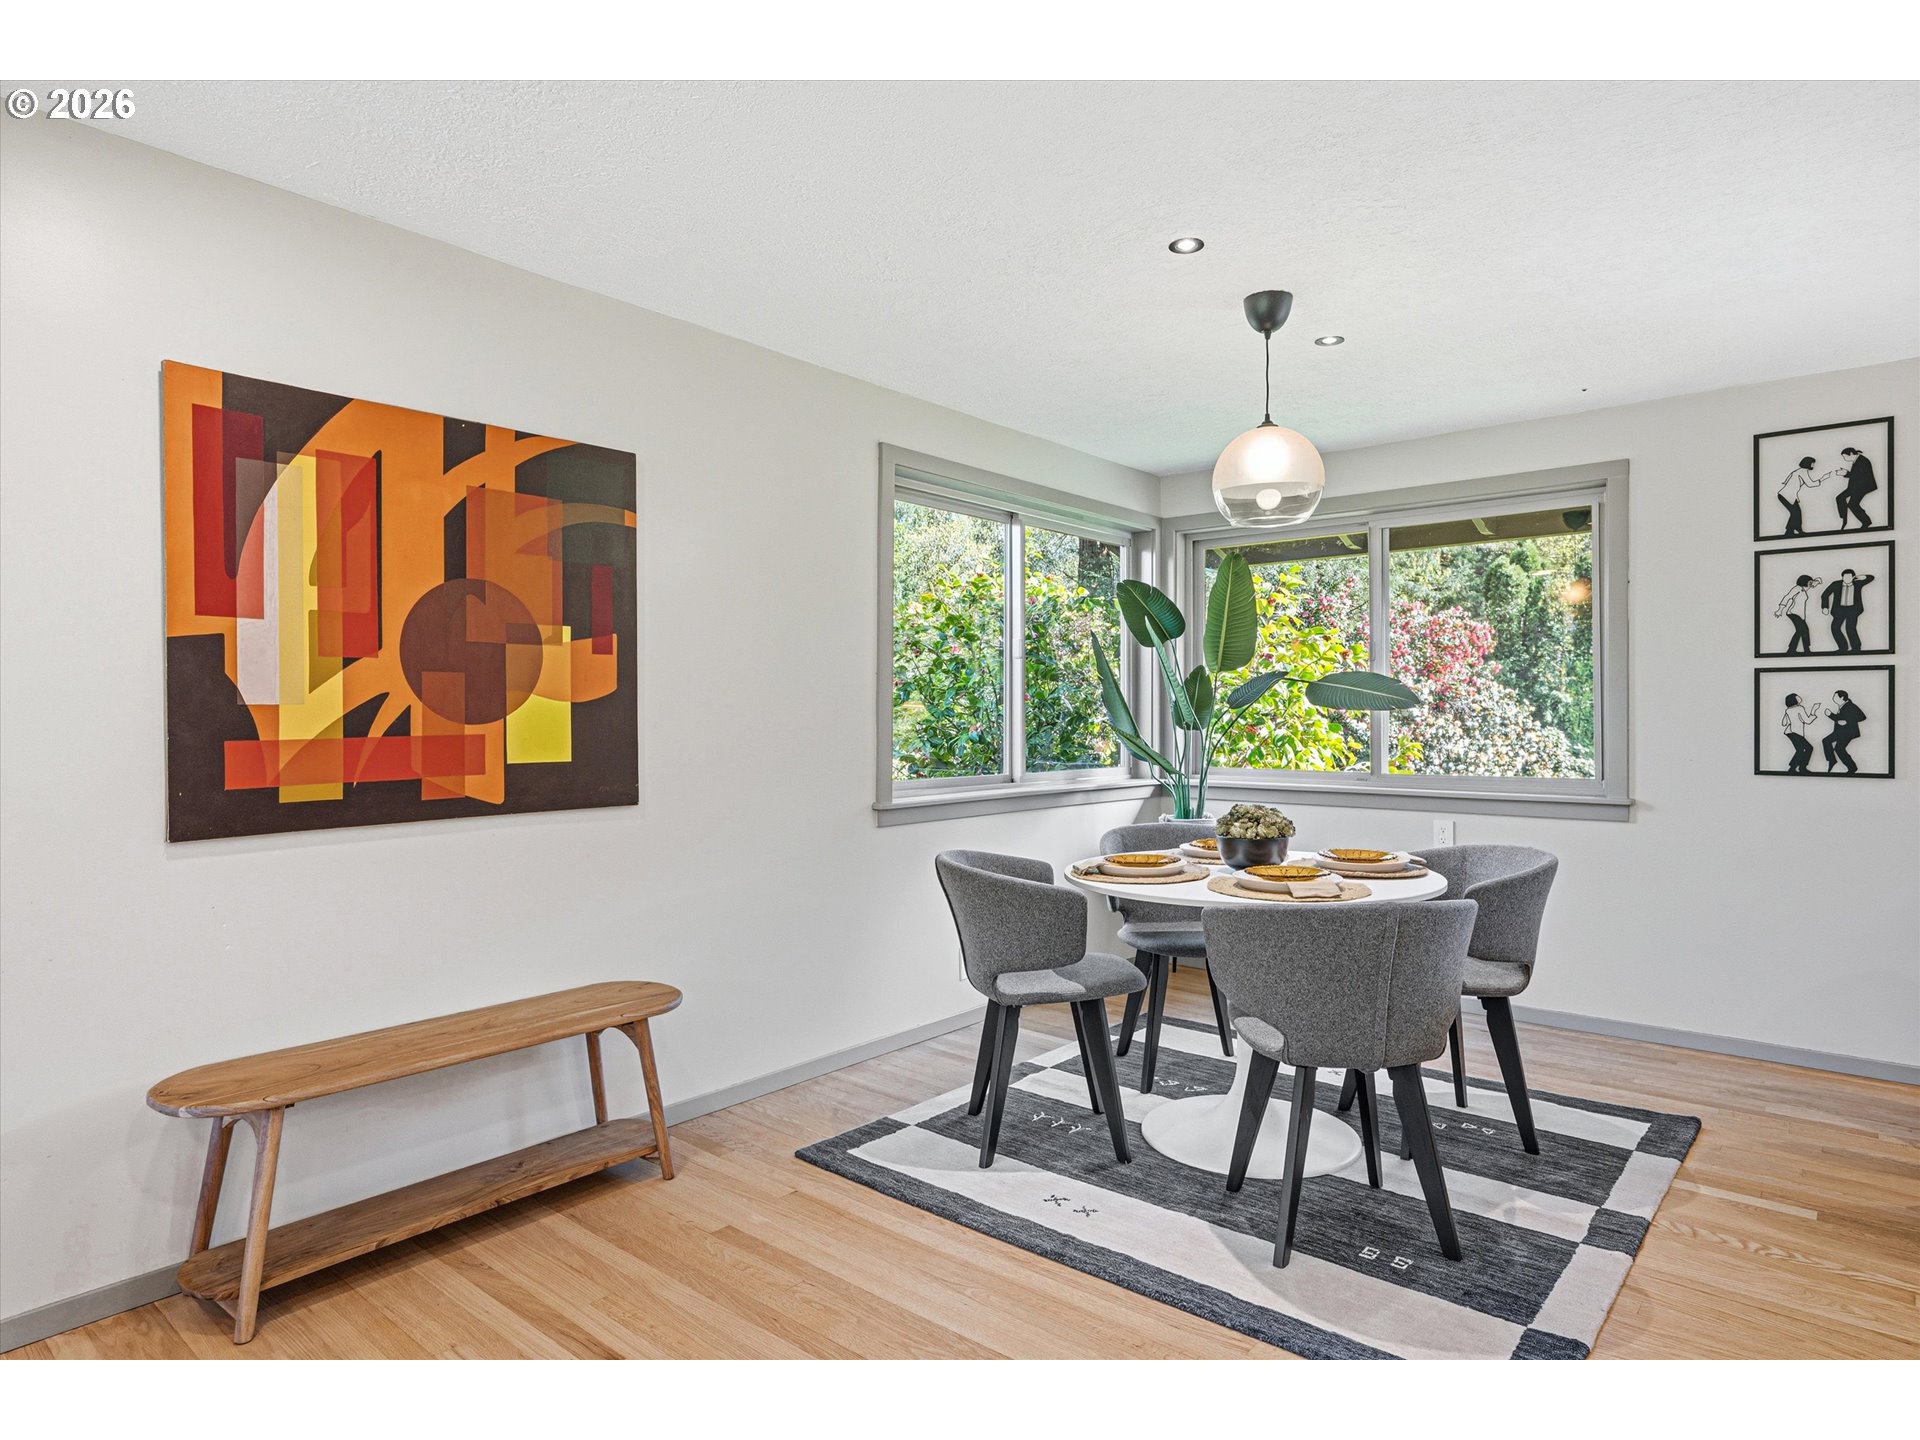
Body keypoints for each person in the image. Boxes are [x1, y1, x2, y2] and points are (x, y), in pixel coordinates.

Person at [1819, 567, 1876, 653]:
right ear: (1842, 577)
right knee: (1835, 628)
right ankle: (1842, 648)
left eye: (1849, 577)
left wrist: (1858, 577)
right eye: (1845, 577)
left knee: (1850, 628)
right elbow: (1825, 594)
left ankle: (1856, 648)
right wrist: (1825, 607)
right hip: (1839, 610)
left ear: (1853, 577)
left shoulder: (1858, 583)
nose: (1847, 579)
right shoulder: (1836, 584)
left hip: (1853, 610)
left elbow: (1871, 578)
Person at [1832, 446, 1879, 531]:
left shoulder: (1863, 461)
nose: (1844, 458)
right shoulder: (1857, 460)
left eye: (1845, 456)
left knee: (1852, 504)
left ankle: (1866, 522)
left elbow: (1860, 476)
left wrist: (1846, 473)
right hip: (1855, 486)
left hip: (1863, 486)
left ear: (1850, 454)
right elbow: (1856, 475)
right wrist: (1846, 473)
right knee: (1840, 498)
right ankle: (1843, 518)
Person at [1774, 573, 1822, 654]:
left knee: (1800, 631)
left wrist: (1815, 581)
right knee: (1804, 630)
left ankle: (1792, 650)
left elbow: (1817, 581)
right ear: (1804, 582)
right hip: (1793, 613)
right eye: (1809, 582)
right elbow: (1787, 597)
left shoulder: (1804, 589)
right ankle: (1806, 650)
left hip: (1800, 615)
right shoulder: (1797, 588)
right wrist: (1780, 610)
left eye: (1811, 582)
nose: (1811, 584)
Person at [1822, 689, 1867, 774]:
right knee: (1836, 747)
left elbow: (1862, 717)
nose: (1833, 698)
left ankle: (1846, 766)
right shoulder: (1842, 706)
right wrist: (1830, 715)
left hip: (1848, 732)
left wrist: (1848, 721)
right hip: (1841, 732)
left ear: (1842, 697)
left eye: (1835, 697)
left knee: (1832, 745)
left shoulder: (1851, 706)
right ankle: (1849, 766)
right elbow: (1839, 719)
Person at [1775, 456, 1822, 536]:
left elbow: (1790, 482)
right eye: (1812, 463)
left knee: (1796, 513)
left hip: (1787, 496)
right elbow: (1810, 484)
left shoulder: (1798, 471)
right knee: (1796, 513)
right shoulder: (1803, 471)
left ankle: (1790, 531)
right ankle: (1795, 530)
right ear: (1808, 463)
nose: (1813, 465)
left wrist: (1796, 497)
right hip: (1786, 496)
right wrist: (1822, 479)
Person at [1780, 693, 1821, 774]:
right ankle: (1801, 767)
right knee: (1808, 748)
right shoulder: (1799, 708)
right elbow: (1807, 721)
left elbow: (1784, 723)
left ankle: (1794, 768)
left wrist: (1790, 715)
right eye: (1797, 697)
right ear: (1794, 700)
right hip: (1796, 733)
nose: (1799, 698)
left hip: (1789, 732)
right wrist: (1814, 710)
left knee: (1801, 750)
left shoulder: (1788, 710)